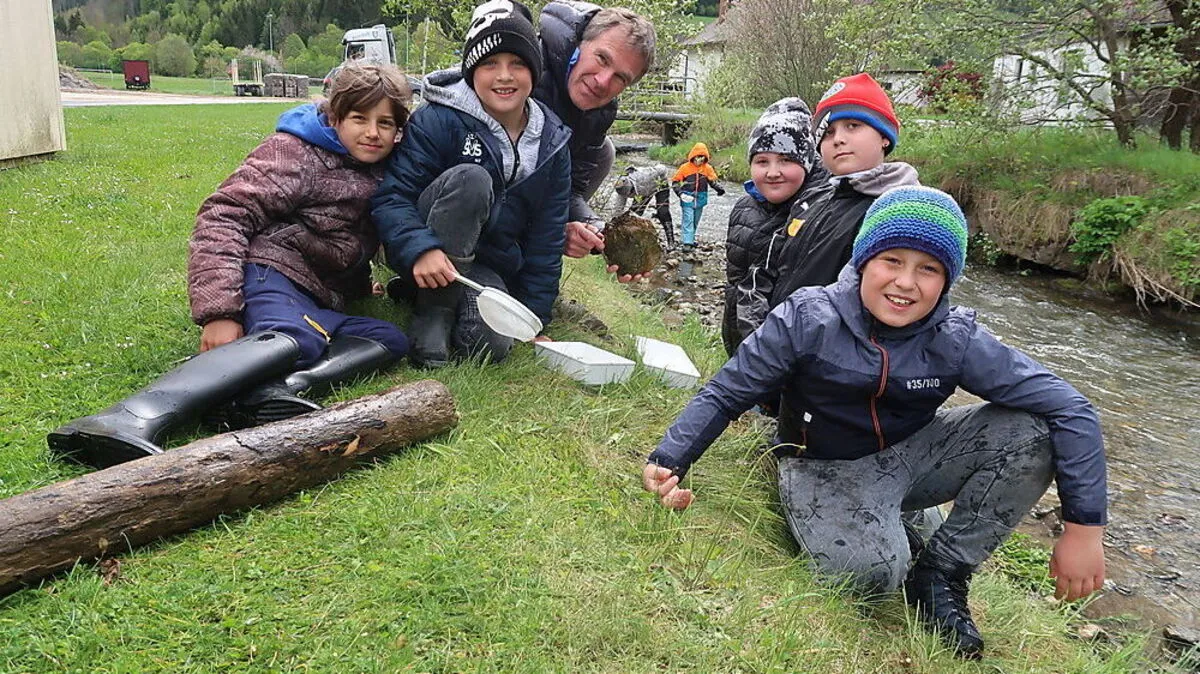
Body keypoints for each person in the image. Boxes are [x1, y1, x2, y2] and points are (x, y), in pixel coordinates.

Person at [642, 186, 1107, 660]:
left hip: (912, 456)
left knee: (1033, 430)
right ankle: (892, 527)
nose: (906, 282)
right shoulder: (806, 317)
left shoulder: (957, 338)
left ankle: (942, 572)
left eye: (928, 269)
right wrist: (671, 458)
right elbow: (727, 391)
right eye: (892, 260)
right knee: (872, 579)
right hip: (821, 465)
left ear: (947, 281)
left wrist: (1083, 529)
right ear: (863, 261)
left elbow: (1073, 408)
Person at [48, 64, 414, 469]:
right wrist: (219, 312)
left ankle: (269, 392)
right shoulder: (294, 154)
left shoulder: (382, 169)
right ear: (334, 116)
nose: (373, 132)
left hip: (315, 293)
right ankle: (128, 417)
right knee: (294, 337)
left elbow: (347, 235)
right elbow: (223, 215)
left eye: (385, 123)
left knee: (388, 337)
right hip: (270, 270)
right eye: (359, 118)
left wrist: (361, 286)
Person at [372, 0, 571, 368]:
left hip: (485, 263)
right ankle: (432, 311)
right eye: (489, 63)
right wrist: (421, 249)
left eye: (518, 63)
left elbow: (548, 235)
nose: (504, 76)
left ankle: (423, 297)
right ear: (471, 70)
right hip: (422, 243)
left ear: (535, 70)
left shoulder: (554, 143)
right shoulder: (437, 119)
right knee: (472, 178)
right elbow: (392, 198)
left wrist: (534, 316)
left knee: (490, 348)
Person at [766, 72, 920, 309]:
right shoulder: (813, 199)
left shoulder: (903, 213)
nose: (838, 139)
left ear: (884, 137)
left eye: (853, 126)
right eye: (828, 132)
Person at [535, 1, 658, 276]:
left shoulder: (601, 112)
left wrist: (599, 232)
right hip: (467, 186)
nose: (603, 81)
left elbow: (570, 191)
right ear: (580, 43)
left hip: (525, 200)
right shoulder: (526, 66)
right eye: (602, 58)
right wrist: (553, 230)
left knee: (605, 153)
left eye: (620, 78)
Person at [721, 97, 829, 357]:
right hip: (741, 343)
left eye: (785, 160)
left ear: (807, 162)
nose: (772, 172)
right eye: (762, 161)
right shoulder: (743, 208)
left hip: (789, 353)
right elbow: (735, 281)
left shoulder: (821, 212)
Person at [670, 143, 726, 251]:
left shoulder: (707, 169)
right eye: (697, 156)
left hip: (701, 198)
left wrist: (719, 189)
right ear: (693, 156)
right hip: (687, 197)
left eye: (702, 157)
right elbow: (675, 182)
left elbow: (712, 182)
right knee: (688, 219)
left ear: (705, 158)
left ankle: (689, 239)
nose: (699, 159)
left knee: (695, 220)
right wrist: (680, 194)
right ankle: (687, 243)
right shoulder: (684, 168)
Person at [613, 163, 674, 246]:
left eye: (630, 194)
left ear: (632, 188)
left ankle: (671, 242)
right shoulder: (621, 187)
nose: (629, 197)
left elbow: (663, 168)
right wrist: (614, 224)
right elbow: (618, 209)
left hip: (660, 184)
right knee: (633, 214)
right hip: (643, 193)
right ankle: (634, 240)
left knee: (663, 212)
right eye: (627, 196)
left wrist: (660, 180)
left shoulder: (645, 175)